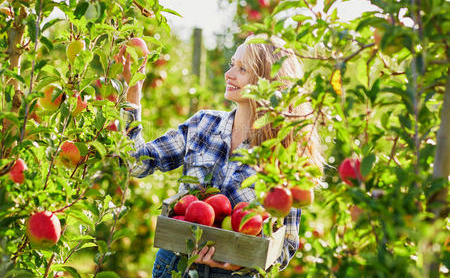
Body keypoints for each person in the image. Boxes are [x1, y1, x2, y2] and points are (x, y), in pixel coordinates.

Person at [117, 34, 324, 278]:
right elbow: (137, 164)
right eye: (231, 65)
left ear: (266, 81)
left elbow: (287, 242)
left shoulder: (282, 152)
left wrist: (241, 264)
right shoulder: (203, 124)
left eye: (242, 68)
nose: (229, 74)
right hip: (176, 265)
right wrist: (133, 94)